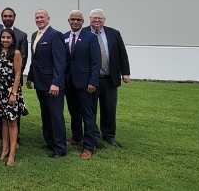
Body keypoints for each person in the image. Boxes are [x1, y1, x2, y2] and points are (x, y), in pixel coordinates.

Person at [86, 8, 131, 147]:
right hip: (91, 80)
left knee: (109, 108)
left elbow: (122, 54)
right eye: (94, 18)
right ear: (90, 19)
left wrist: (125, 73)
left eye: (100, 18)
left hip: (109, 79)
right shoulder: (84, 33)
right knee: (90, 109)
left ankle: (109, 135)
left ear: (104, 20)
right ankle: (93, 135)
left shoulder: (114, 33)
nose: (97, 20)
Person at [27, 9, 67, 158]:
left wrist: (56, 82)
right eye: (37, 17)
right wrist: (30, 77)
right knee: (46, 114)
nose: (39, 19)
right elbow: (35, 60)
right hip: (40, 83)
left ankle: (60, 148)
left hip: (52, 85)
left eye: (42, 17)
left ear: (48, 19)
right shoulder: (34, 35)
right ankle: (49, 141)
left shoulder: (55, 35)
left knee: (56, 115)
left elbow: (60, 61)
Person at [64, 10, 101, 159]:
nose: (75, 22)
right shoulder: (64, 37)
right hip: (69, 84)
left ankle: (89, 147)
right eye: (72, 19)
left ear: (83, 21)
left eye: (78, 20)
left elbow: (96, 62)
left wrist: (93, 81)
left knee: (88, 115)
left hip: (86, 84)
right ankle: (76, 137)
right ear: (69, 20)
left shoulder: (91, 38)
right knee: (74, 113)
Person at [0, 7, 29, 145]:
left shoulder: (22, 35)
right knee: (0, 114)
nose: (7, 18)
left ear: (14, 17)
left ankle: (15, 140)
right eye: (5, 16)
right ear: (1, 17)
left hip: (12, 83)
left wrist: (14, 84)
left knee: (14, 115)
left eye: (10, 16)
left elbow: (23, 60)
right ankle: (2, 138)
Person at [0, 28, 26, 166]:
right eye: (3, 37)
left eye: (8, 37)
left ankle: (12, 154)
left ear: (13, 39)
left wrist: (14, 93)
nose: (5, 40)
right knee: (4, 121)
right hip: (0, 92)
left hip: (11, 92)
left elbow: (18, 74)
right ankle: (5, 149)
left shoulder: (16, 53)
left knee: (12, 122)